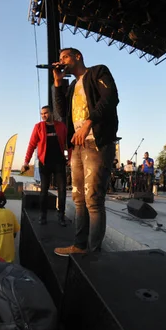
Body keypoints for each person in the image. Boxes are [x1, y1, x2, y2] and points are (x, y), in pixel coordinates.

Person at [52, 47, 119, 255]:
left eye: (65, 57)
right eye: (60, 58)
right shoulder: (72, 85)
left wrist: (89, 122)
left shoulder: (98, 72)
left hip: (97, 143)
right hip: (78, 145)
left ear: (77, 56)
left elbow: (110, 98)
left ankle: (95, 251)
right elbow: (62, 112)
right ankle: (80, 246)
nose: (61, 60)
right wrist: (57, 83)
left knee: (93, 200)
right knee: (78, 198)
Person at [22, 105, 68, 226]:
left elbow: (69, 143)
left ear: (51, 113)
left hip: (59, 163)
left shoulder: (61, 126)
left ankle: (61, 215)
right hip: (45, 163)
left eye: (46, 113)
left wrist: (71, 157)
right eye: (42, 114)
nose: (43, 115)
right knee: (44, 190)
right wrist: (26, 161)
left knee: (62, 190)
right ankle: (43, 215)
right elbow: (31, 145)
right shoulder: (38, 127)